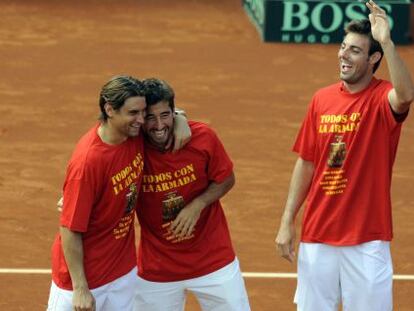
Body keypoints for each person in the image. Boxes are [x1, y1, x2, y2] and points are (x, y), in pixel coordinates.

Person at [275, 1, 414, 310]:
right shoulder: (321, 99)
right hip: (318, 235)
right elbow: (306, 161)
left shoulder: (381, 98)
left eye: (354, 50)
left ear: (373, 58)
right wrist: (287, 220)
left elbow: (406, 96)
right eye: (343, 47)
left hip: (367, 239)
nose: (343, 55)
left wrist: (388, 41)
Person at [47, 75, 190, 311]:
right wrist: (80, 288)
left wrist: (180, 118)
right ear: (110, 109)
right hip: (86, 280)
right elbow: (70, 229)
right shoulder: (88, 163)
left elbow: (162, 117)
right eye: (134, 113)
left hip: (123, 273)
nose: (142, 120)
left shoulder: (133, 134)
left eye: (143, 112)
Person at [134, 78, 251, 311]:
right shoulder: (131, 148)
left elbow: (226, 179)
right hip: (157, 269)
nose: (159, 125)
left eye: (165, 115)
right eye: (150, 118)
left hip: (214, 261)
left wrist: (197, 205)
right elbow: (104, 139)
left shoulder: (202, 138)